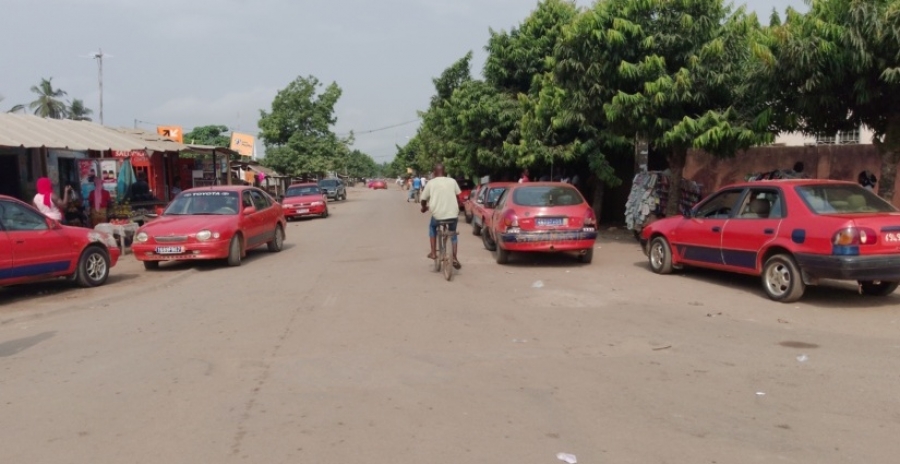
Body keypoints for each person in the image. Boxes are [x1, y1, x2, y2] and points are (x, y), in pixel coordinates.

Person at [420, 163, 462, 269]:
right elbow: (458, 196)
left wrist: (424, 207)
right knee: (453, 233)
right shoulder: (452, 181)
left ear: (434, 173)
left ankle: (434, 252)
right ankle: (455, 257)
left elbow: (423, 199)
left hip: (438, 216)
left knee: (432, 227)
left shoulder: (431, 183)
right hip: (453, 214)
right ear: (445, 172)